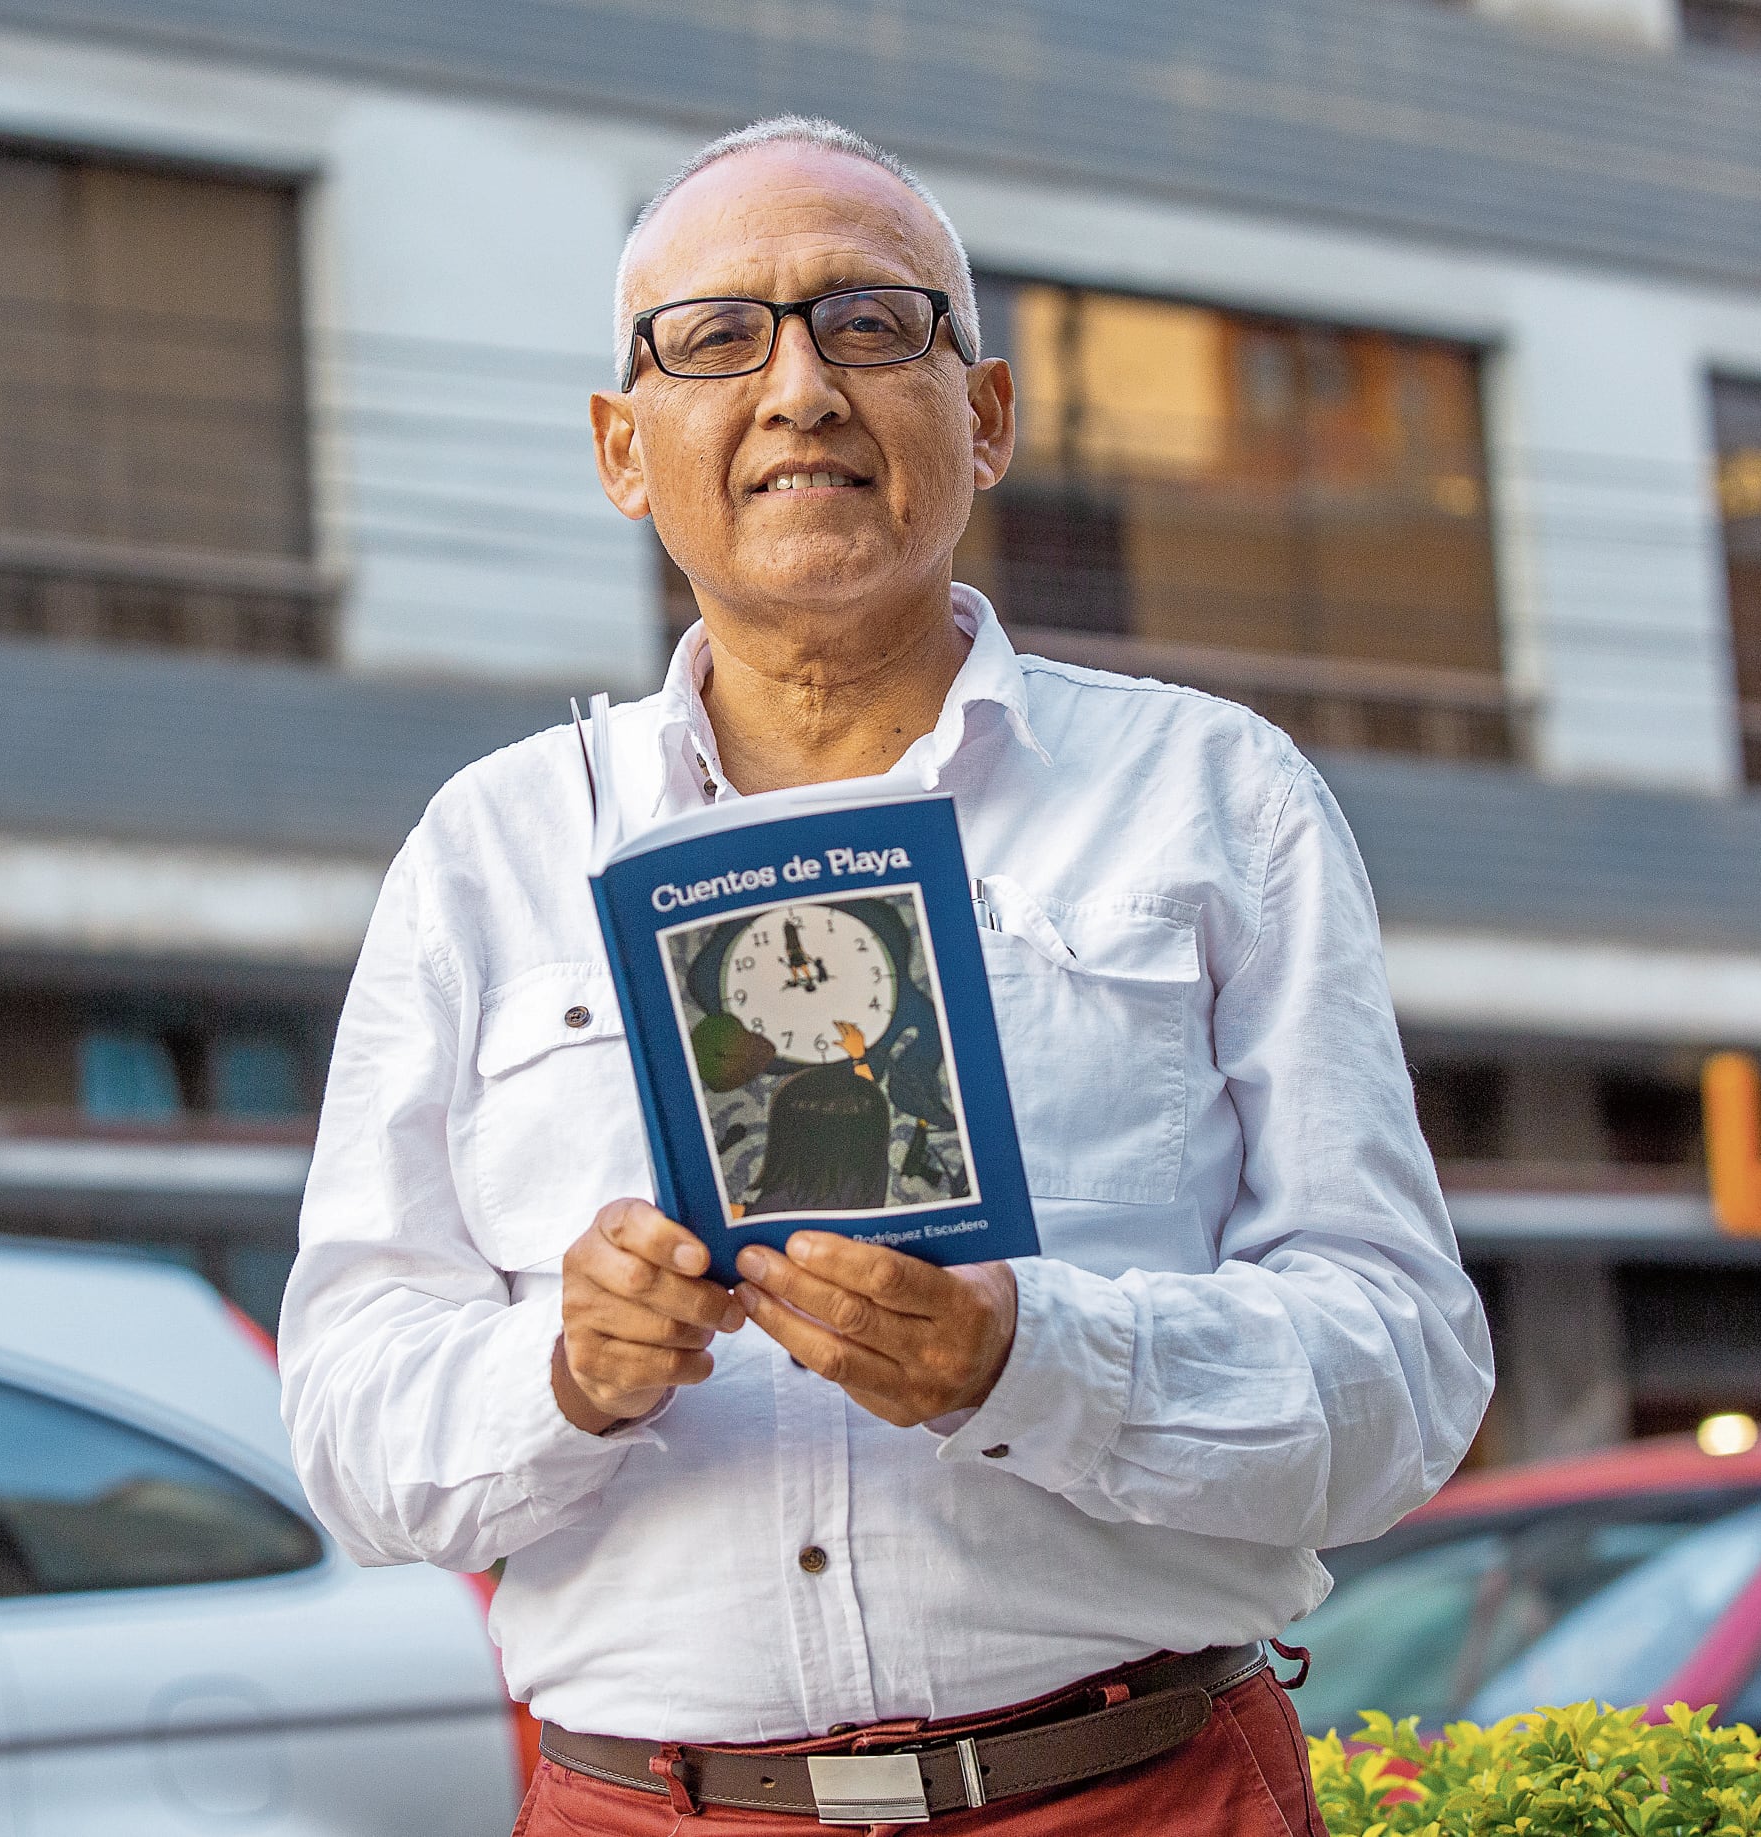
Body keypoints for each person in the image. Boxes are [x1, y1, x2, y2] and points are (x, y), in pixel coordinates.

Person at [278, 116, 1492, 1835]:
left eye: (870, 322)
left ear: (983, 416)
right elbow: (347, 1419)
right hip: (650, 1809)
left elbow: (1408, 1370)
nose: (797, 389)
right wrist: (571, 1369)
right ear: (627, 449)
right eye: (715, 338)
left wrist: (1031, 1359)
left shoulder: (1214, 800)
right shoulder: (491, 849)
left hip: (1132, 1794)